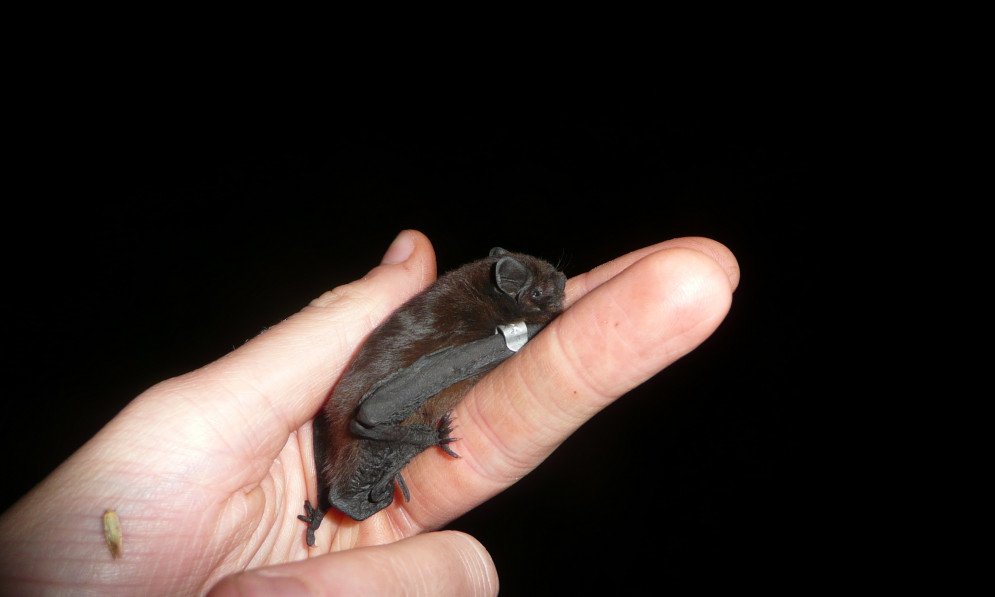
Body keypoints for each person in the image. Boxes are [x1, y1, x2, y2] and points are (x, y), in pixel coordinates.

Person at [0, 230, 739, 597]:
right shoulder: (472, 322)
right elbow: (382, 406)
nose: (546, 302)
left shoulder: (471, 313)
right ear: (509, 287)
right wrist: (420, 433)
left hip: (369, 434)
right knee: (394, 436)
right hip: (378, 426)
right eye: (537, 294)